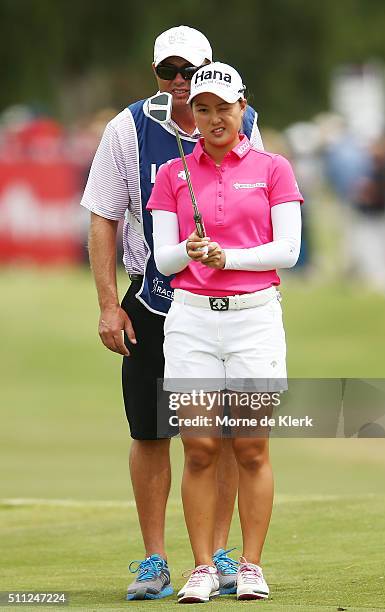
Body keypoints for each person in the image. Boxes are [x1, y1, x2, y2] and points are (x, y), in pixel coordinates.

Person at [80, 26, 264, 600]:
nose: (181, 84)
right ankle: (154, 560)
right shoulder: (128, 128)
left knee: (225, 432)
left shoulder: (244, 121)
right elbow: (103, 215)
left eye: (192, 71)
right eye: (170, 73)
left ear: (214, 67)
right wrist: (110, 305)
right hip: (154, 300)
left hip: (225, 301)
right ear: (156, 74)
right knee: (151, 429)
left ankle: (219, 555)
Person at [147, 62, 303, 602]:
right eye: (204, 109)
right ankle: (202, 568)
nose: (214, 118)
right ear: (193, 114)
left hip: (256, 318)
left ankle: (251, 565)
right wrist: (187, 250)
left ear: (243, 108)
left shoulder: (273, 168)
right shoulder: (174, 174)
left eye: (224, 108)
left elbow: (288, 250)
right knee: (199, 448)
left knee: (252, 447)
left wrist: (228, 255)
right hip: (191, 320)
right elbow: (163, 261)